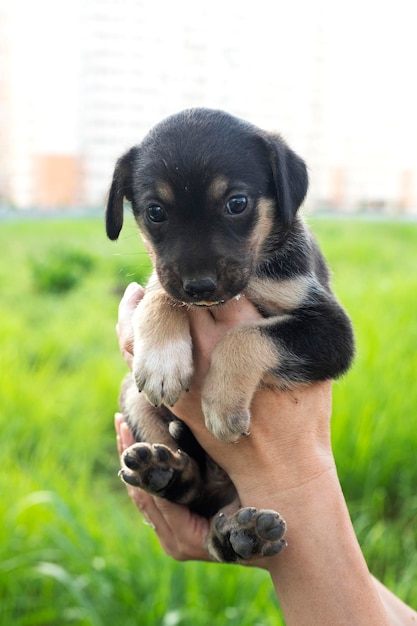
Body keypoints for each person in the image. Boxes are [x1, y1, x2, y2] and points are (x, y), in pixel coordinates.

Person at [115, 282, 417, 625]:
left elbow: (330, 340)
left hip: (241, 474)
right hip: (192, 458)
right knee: (134, 394)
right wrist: (159, 309)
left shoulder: (285, 265)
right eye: (156, 222)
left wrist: (283, 480)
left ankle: (218, 517)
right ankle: (191, 490)